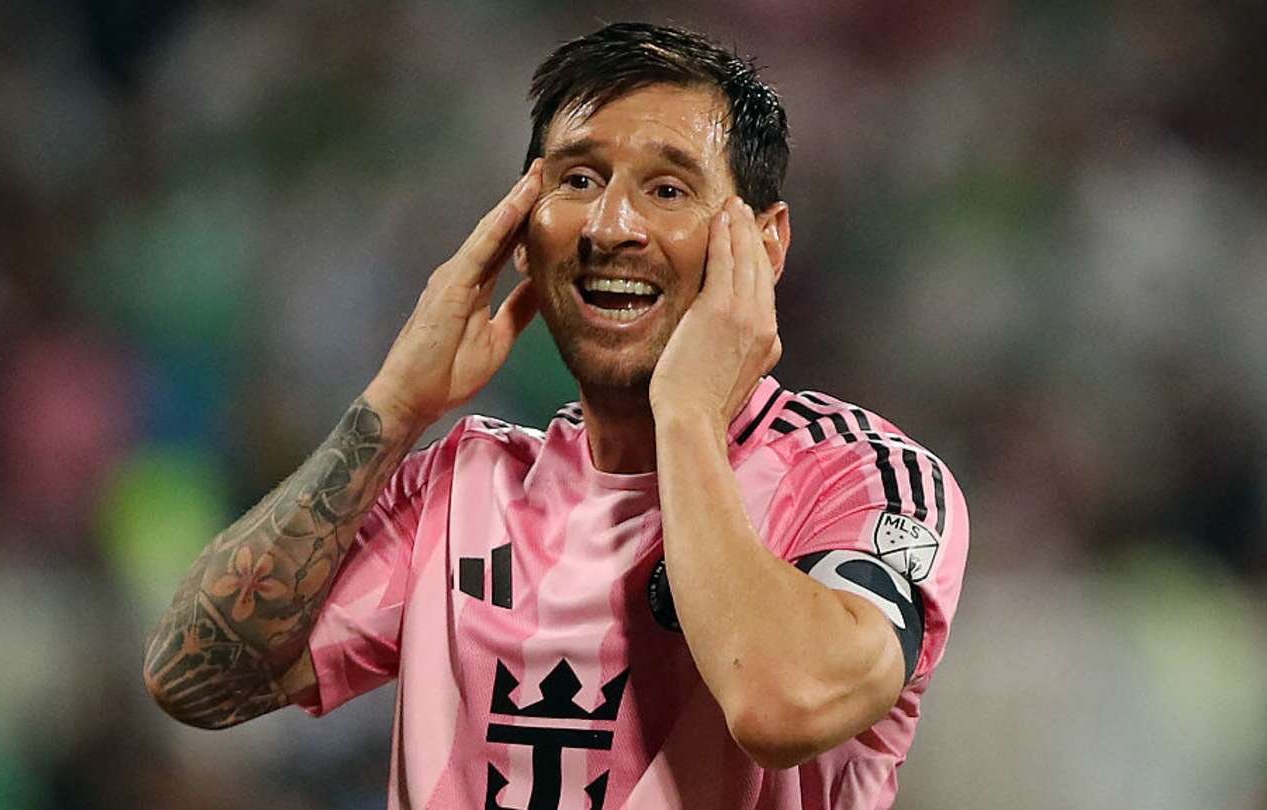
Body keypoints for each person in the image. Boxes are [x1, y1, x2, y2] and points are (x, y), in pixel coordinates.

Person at [143, 22, 968, 810]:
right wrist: (396, 405)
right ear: (521, 227)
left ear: (765, 244)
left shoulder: (859, 481)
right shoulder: (460, 487)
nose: (611, 228)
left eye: (668, 188)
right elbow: (196, 679)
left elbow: (780, 704)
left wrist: (683, 414)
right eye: (577, 180)